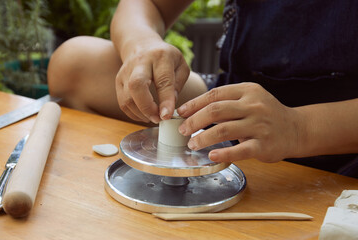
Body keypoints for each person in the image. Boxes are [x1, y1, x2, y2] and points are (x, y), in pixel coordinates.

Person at [48, 0, 358, 177]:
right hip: (236, 105)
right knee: (74, 64)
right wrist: (141, 45)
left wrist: (298, 129)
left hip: (339, 134)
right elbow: (146, 5)